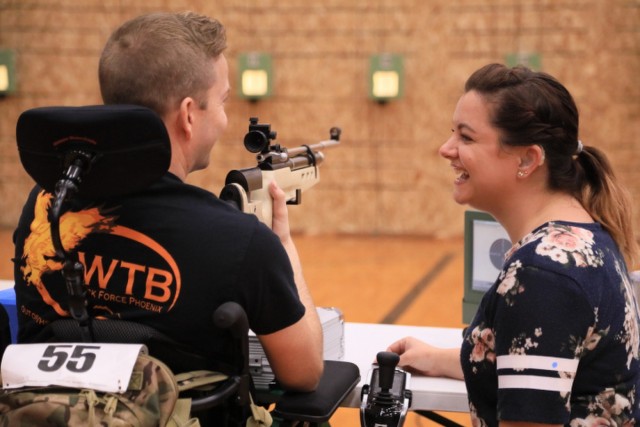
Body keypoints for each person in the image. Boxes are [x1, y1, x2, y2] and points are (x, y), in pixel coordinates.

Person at [13, 10, 323, 396]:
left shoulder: (45, 206)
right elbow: (305, 372)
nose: (226, 120)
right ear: (189, 114)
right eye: (222, 102)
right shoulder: (242, 242)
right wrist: (285, 251)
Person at [388, 63, 640, 425]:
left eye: (466, 137)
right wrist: (439, 358)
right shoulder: (579, 236)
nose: (447, 149)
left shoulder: (543, 274)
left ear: (527, 159)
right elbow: (543, 363)